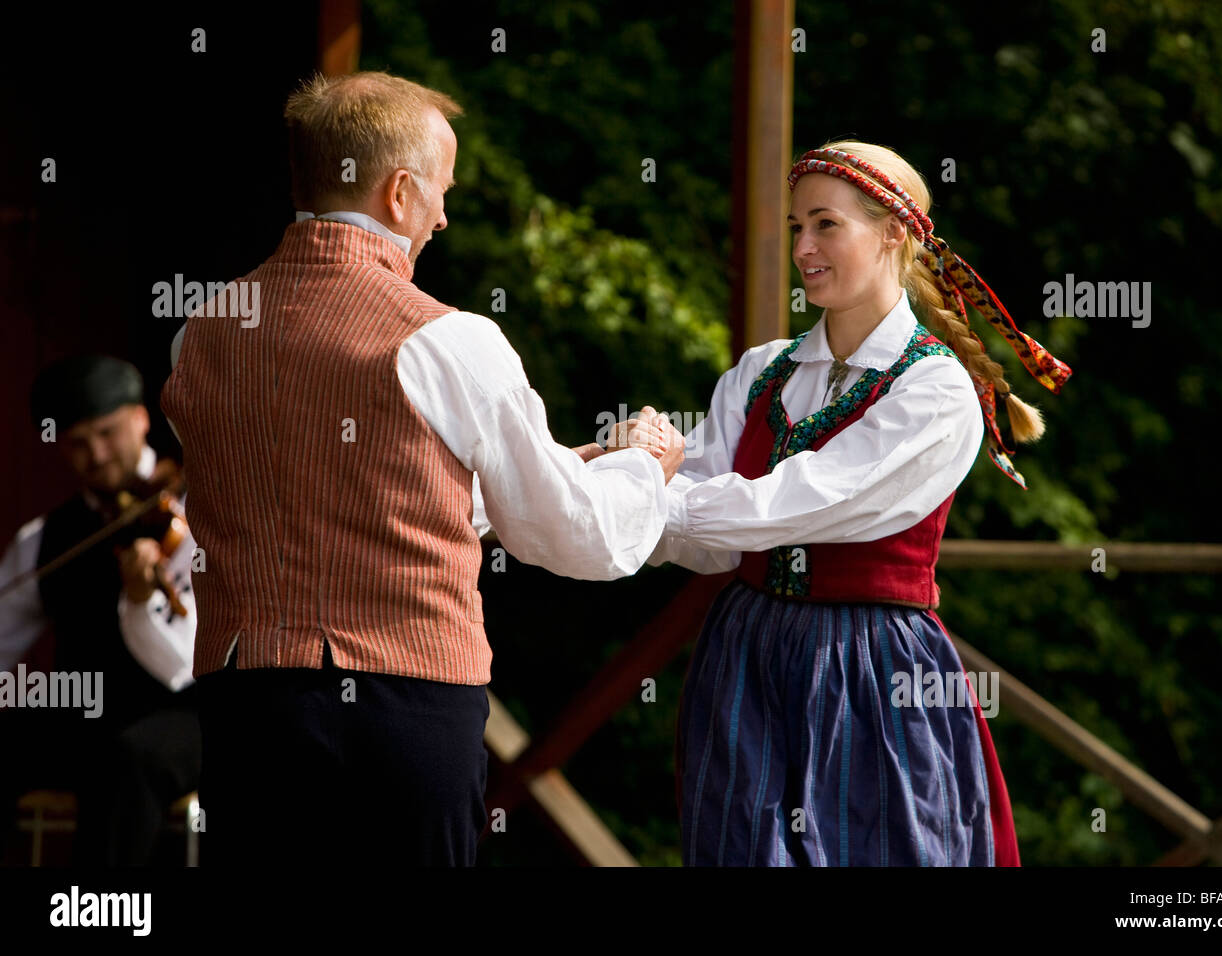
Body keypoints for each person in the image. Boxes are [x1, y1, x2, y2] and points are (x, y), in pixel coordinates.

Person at [159, 71, 684, 867]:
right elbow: (574, 535)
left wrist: (563, 462)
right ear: (400, 192)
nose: (443, 215)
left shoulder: (202, 329)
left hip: (248, 705)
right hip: (401, 702)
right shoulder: (449, 339)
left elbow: (346, 492)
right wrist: (645, 465)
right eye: (440, 190)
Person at [614, 141, 1073, 866]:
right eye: (797, 226)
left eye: (826, 225)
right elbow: (707, 539)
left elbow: (793, 503)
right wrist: (622, 474)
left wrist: (643, 484)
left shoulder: (935, 390)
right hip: (745, 653)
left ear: (896, 232)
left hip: (872, 666)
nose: (803, 247)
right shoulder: (763, 372)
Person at [0, 355, 201, 865]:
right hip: (87, 715)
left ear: (141, 418)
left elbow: (183, 667)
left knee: (132, 758)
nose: (97, 455)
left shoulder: (193, 515)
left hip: (186, 716)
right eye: (78, 443)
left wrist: (140, 601)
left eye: (108, 433)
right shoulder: (42, 540)